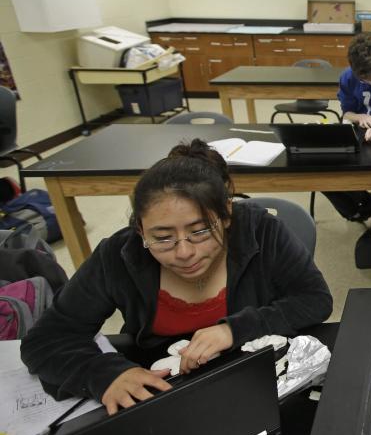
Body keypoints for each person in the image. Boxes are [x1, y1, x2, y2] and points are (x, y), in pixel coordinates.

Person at [21, 140, 333, 414]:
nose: (184, 252)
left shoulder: (262, 232)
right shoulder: (118, 255)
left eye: (200, 231)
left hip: (257, 387)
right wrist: (104, 375)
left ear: (226, 216)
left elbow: (314, 299)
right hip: (165, 398)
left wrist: (235, 330)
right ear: (141, 229)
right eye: (162, 237)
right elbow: (47, 339)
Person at [321, 33, 371, 222]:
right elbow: (346, 113)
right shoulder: (348, 77)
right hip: (363, 135)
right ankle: (359, 206)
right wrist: (359, 117)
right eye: (365, 79)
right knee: (322, 169)